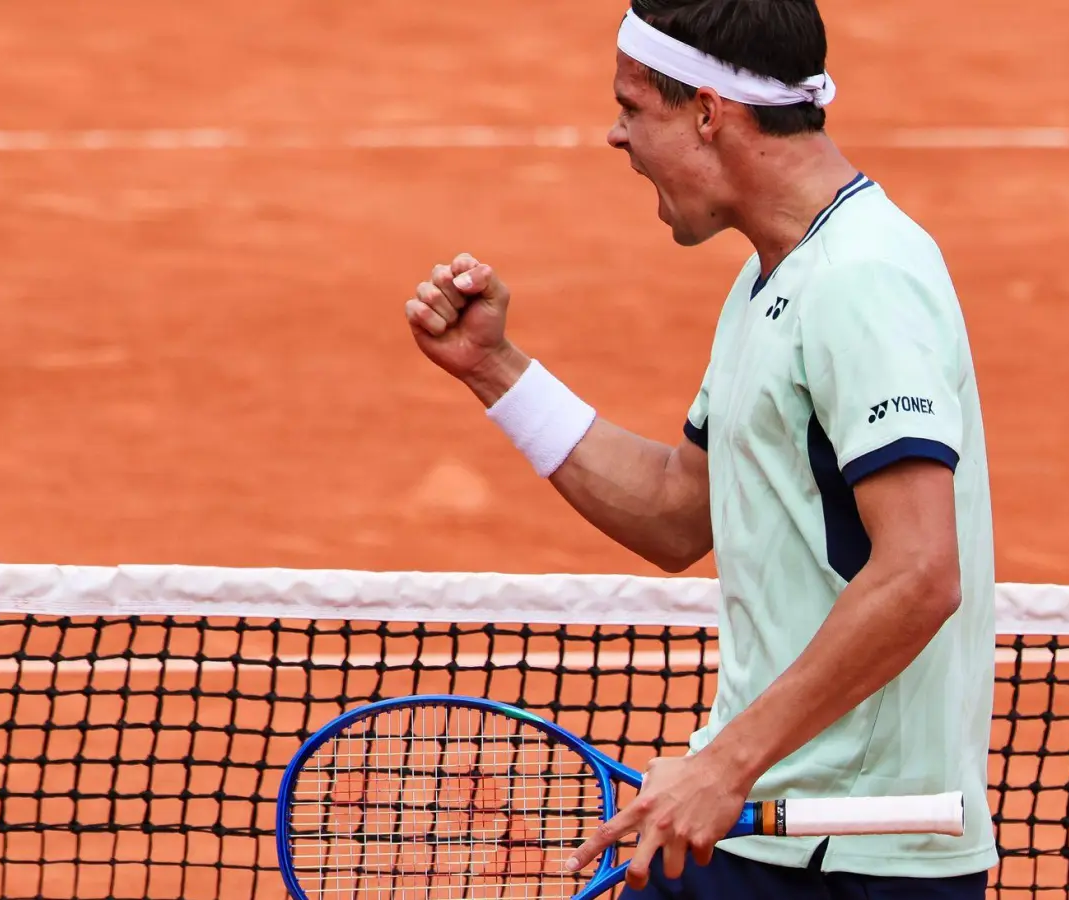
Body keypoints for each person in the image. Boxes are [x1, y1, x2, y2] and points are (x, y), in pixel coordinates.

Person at [403, 1, 997, 896]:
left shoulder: (862, 280)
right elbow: (681, 510)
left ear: (709, 112)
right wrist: (495, 371)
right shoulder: (775, 277)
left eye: (634, 107)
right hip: (755, 827)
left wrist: (724, 765)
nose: (616, 135)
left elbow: (920, 572)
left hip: (851, 854)